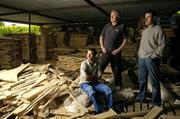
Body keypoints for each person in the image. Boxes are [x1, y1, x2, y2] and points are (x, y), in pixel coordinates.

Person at [136, 10, 166, 106]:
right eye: (145, 17)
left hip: (151, 59)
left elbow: (162, 45)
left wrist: (153, 56)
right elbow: (142, 44)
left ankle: (156, 102)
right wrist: (139, 53)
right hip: (142, 58)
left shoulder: (158, 29)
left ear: (154, 18)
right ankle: (141, 97)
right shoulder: (144, 31)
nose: (146, 19)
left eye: (148, 16)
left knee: (154, 81)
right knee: (142, 80)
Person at [99, 9, 127, 89]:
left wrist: (118, 50)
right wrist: (102, 47)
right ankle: (96, 82)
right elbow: (101, 37)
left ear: (117, 17)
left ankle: (118, 85)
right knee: (100, 67)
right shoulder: (107, 26)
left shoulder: (121, 27)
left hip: (115, 53)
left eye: (113, 15)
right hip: (105, 52)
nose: (111, 17)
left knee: (116, 70)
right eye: (111, 15)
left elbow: (125, 40)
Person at [79, 48, 112, 113]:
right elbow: (86, 78)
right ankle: (98, 109)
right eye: (88, 54)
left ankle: (109, 108)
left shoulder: (98, 64)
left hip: (95, 83)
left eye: (90, 54)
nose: (88, 56)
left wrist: (91, 77)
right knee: (91, 89)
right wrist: (94, 77)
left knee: (107, 89)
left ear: (95, 56)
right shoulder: (84, 64)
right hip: (84, 84)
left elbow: (99, 76)